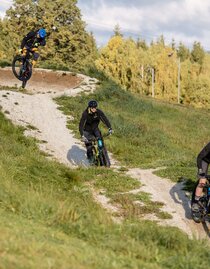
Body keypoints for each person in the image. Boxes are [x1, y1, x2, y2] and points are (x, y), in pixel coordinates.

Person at [191, 141, 210, 212]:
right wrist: (200, 170)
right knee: (202, 182)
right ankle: (195, 202)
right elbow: (200, 157)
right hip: (204, 160)